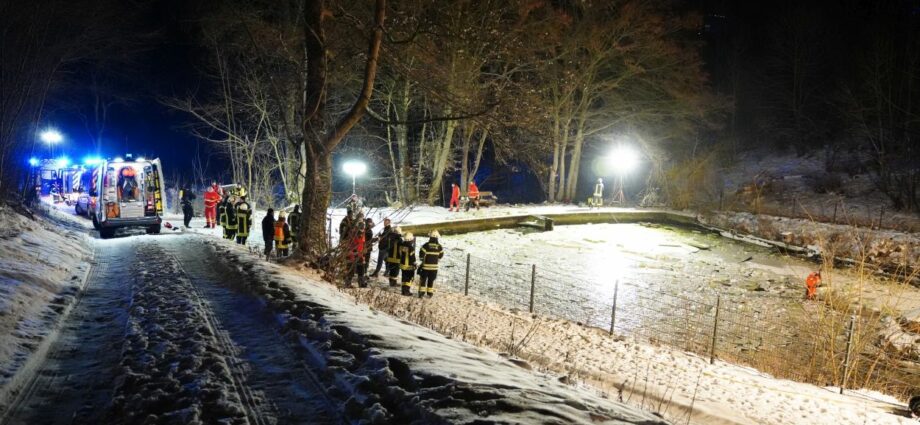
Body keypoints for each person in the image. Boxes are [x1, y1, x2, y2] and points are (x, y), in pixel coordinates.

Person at [417, 230, 444, 298]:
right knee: (431, 280)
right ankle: (430, 293)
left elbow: (421, 255)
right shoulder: (439, 246)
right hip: (434, 268)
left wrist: (422, 260)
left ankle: (421, 292)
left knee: (423, 280)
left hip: (425, 267)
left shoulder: (426, 245)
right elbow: (441, 255)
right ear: (437, 237)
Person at [345, 220, 367, 288]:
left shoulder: (363, 234)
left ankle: (361, 283)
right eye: (361, 228)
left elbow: (362, 243)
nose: (362, 230)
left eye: (363, 228)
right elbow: (350, 244)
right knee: (351, 268)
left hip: (360, 253)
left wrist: (364, 249)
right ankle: (348, 283)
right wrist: (353, 252)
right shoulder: (353, 234)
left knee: (361, 268)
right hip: (352, 254)